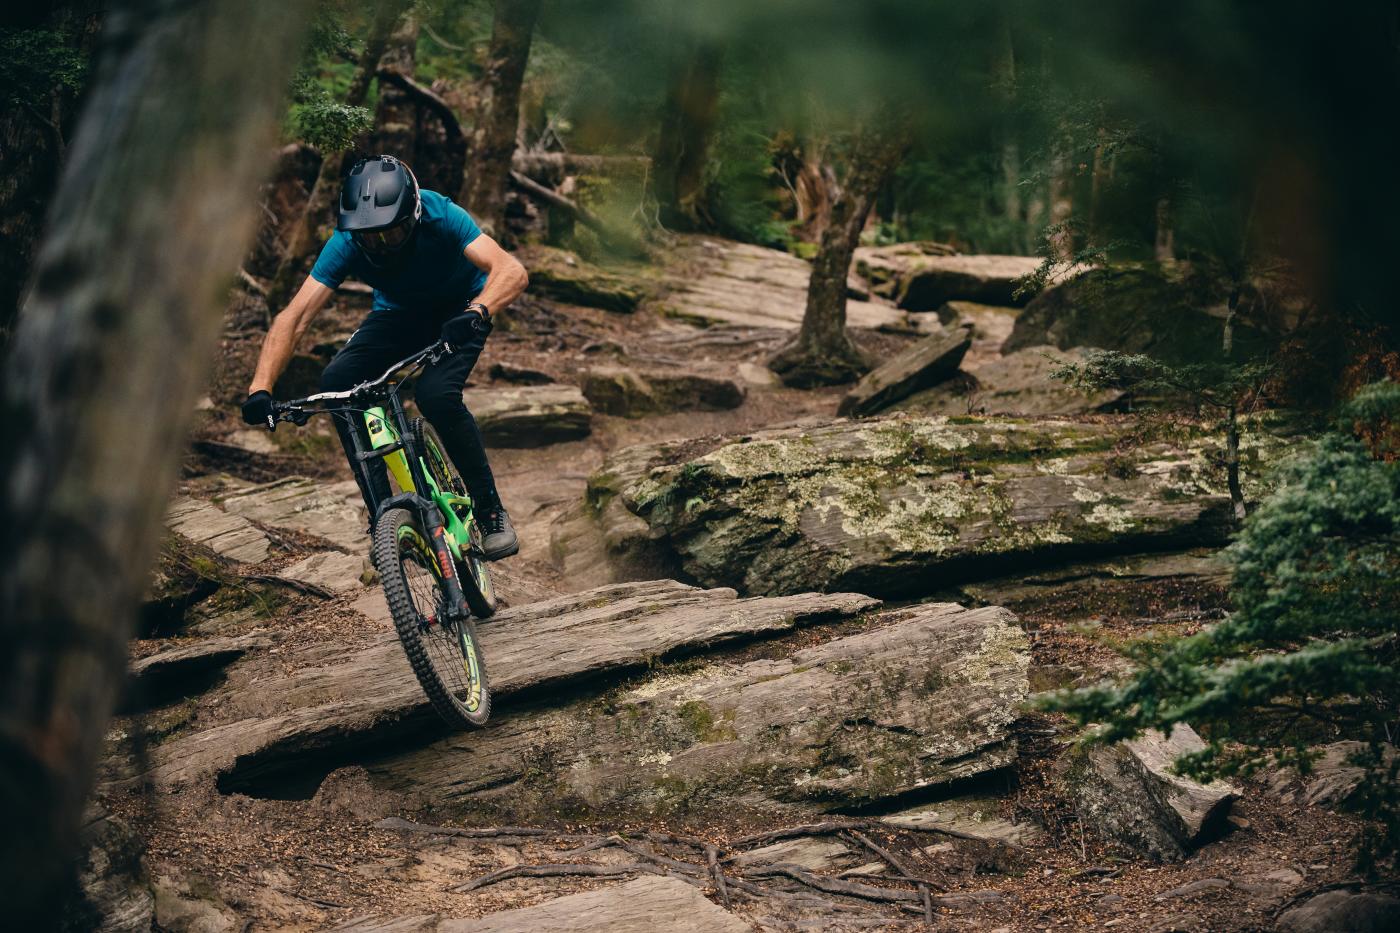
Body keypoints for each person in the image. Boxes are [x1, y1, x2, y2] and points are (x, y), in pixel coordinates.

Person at [240, 154, 527, 559]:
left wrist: (479, 310)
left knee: (436, 395)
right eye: (369, 237)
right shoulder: (347, 242)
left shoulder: (440, 214)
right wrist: (260, 388)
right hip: (397, 316)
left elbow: (510, 270)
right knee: (338, 386)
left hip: (460, 311)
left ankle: (489, 511)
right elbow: (295, 317)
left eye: (391, 234)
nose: (380, 245)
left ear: (412, 215)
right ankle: (384, 519)